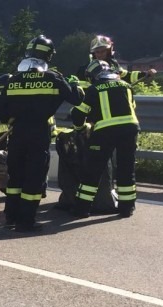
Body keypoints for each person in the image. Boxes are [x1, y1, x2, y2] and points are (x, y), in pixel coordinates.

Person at [0, 35, 83, 232]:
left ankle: (11, 217)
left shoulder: (14, 79)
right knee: (34, 177)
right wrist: (74, 83)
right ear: (49, 56)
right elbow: (76, 99)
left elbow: (0, 109)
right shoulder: (53, 78)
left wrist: (12, 120)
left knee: (15, 176)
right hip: (39, 133)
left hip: (17, 134)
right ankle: (26, 221)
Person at [69, 60, 140, 218]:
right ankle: (127, 208)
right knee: (126, 168)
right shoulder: (126, 85)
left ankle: (82, 209)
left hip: (105, 132)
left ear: (92, 76)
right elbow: (132, 107)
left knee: (92, 170)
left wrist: (80, 129)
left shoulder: (94, 89)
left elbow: (78, 114)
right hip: (130, 129)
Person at [78, 35, 156, 85]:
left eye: (103, 51)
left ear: (109, 51)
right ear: (93, 53)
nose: (100, 54)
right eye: (97, 52)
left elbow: (126, 76)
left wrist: (145, 74)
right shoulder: (85, 70)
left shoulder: (113, 65)